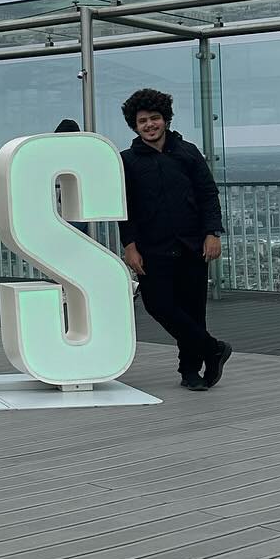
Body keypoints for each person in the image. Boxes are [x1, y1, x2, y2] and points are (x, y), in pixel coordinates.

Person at [119, 88, 232, 391]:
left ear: (165, 120)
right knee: (157, 304)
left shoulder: (188, 152)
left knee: (193, 310)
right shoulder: (126, 161)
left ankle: (190, 372)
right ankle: (213, 349)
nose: (150, 125)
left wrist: (213, 233)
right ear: (135, 125)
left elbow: (208, 195)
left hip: (192, 245)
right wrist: (129, 246)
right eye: (143, 120)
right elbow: (124, 208)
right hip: (151, 248)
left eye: (155, 118)